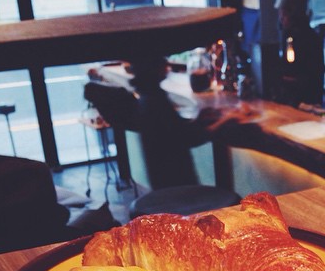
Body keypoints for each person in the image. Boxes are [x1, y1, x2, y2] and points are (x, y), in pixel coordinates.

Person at [85, 57, 225, 190]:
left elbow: (174, 132)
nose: (167, 66)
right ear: (156, 69)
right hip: (178, 186)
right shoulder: (154, 101)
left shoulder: (148, 97)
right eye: (162, 62)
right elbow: (186, 138)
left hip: (163, 183)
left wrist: (199, 120)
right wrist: (224, 121)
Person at [274, 0, 325, 108]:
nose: (281, 19)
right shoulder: (288, 36)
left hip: (305, 102)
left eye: (284, 14)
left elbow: (309, 77)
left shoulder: (308, 39)